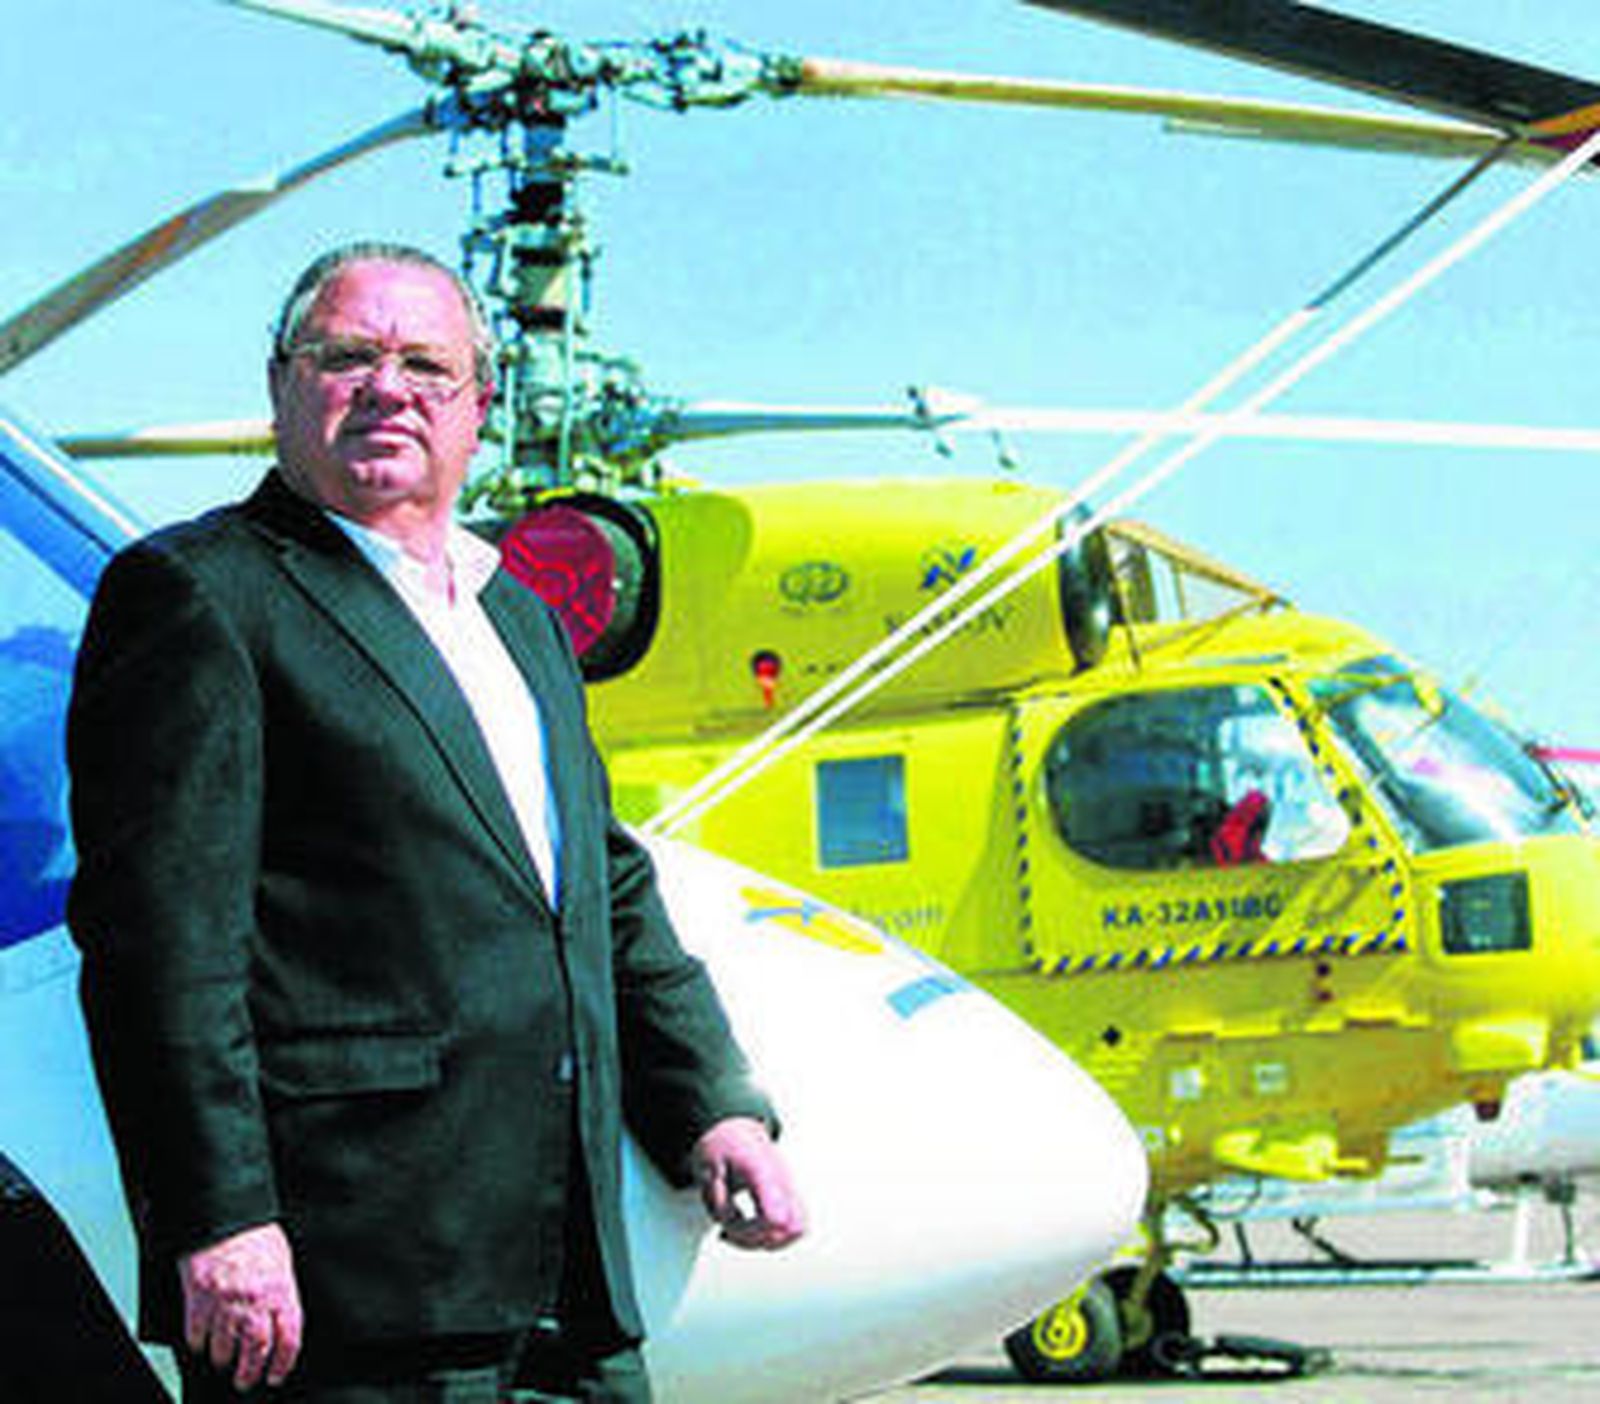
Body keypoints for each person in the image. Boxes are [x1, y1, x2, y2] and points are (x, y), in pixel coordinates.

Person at [66, 242, 805, 1403]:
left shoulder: (514, 616)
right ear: (280, 386)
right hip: (345, 1288)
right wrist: (220, 1221)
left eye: (426, 364)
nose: (388, 387)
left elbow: (594, 892)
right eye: (347, 356)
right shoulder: (201, 596)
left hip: (566, 1284)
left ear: (479, 405)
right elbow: (160, 944)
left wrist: (709, 1104)